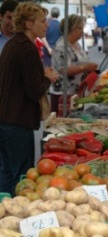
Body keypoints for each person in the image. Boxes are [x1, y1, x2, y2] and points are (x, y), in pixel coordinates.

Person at [0, 2, 59, 196]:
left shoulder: (12, 45)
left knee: (6, 173)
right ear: (28, 24)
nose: (47, 25)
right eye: (42, 21)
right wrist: (47, 78)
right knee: (21, 178)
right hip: (19, 122)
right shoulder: (28, 49)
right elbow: (34, 92)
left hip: (6, 119)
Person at [50, 14, 98, 115]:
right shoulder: (61, 47)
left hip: (75, 92)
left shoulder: (76, 44)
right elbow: (63, 69)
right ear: (71, 29)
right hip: (64, 94)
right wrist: (85, 67)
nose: (82, 31)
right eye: (79, 28)